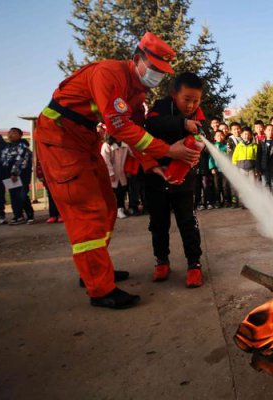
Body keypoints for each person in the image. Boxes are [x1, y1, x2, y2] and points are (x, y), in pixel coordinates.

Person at [35, 32, 199, 309]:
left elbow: (136, 133)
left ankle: (94, 270)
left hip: (84, 140)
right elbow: (118, 126)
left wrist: (152, 164)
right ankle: (99, 289)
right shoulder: (109, 74)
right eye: (155, 68)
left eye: (163, 71)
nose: (158, 75)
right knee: (88, 211)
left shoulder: (136, 92)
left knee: (108, 207)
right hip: (61, 140)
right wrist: (168, 151)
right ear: (137, 59)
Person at [144, 71, 206, 288]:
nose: (190, 105)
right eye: (186, 99)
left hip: (184, 181)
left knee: (188, 223)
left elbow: (199, 140)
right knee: (158, 224)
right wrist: (182, 124)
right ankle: (161, 261)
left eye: (196, 100)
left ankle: (194, 264)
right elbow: (151, 126)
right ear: (173, 95)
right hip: (156, 177)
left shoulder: (198, 115)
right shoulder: (160, 108)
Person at [0, 127, 34, 224]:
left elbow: (21, 160)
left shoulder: (23, 147)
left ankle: (30, 215)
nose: (11, 134)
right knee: (14, 196)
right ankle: (18, 215)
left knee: (22, 195)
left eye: (14, 133)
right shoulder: (6, 147)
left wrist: (14, 173)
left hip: (21, 176)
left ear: (20, 135)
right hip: (8, 176)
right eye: (10, 133)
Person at [101, 135, 130, 219]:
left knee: (121, 191)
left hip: (121, 173)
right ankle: (111, 210)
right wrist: (110, 173)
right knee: (111, 192)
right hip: (110, 173)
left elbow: (133, 153)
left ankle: (120, 209)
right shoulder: (106, 145)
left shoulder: (125, 144)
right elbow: (105, 160)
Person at [256, 124, 273, 195]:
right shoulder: (261, 143)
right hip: (264, 168)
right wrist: (258, 168)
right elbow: (258, 156)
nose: (270, 132)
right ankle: (268, 203)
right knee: (265, 186)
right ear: (265, 131)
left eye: (272, 130)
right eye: (269, 130)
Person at [208, 130, 230, 207]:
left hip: (225, 170)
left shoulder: (226, 146)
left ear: (224, 136)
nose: (219, 137)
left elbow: (229, 157)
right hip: (216, 170)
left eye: (221, 135)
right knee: (217, 186)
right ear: (214, 137)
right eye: (217, 135)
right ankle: (217, 201)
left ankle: (226, 200)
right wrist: (212, 168)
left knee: (225, 186)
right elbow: (211, 158)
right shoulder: (213, 147)